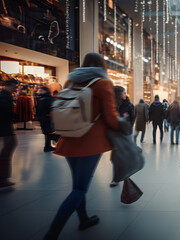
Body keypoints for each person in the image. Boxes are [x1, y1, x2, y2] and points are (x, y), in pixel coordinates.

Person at [44, 53, 120, 240]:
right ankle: (52, 233)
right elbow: (111, 117)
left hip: (69, 139)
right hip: (89, 142)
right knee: (80, 189)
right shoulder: (103, 83)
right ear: (102, 65)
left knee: (78, 184)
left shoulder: (71, 82)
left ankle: (84, 219)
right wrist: (123, 126)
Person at [0, 79, 18, 188]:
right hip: (4, 127)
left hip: (5, 126)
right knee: (9, 147)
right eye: (15, 86)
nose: (16, 88)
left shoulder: (5, 96)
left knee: (8, 147)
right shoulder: (4, 97)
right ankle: (2, 178)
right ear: (9, 85)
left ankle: (3, 177)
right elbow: (5, 113)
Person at [36, 86, 55, 152]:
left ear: (45, 91)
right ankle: (48, 146)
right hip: (47, 117)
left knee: (47, 132)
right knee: (49, 131)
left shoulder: (41, 99)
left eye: (41, 90)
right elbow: (51, 110)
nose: (39, 91)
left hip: (43, 117)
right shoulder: (49, 98)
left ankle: (48, 146)